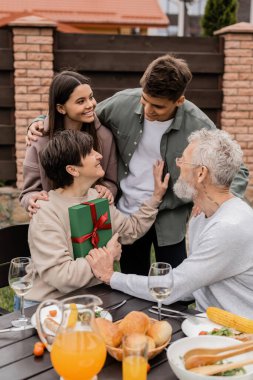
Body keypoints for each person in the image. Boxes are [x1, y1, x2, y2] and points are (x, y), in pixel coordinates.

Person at [26, 55, 249, 275]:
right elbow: (80, 113)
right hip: (125, 213)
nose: (148, 110)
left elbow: (238, 171)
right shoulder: (123, 102)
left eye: (158, 107)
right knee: (131, 285)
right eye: (145, 100)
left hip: (169, 217)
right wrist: (41, 122)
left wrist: (214, 201)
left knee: (176, 289)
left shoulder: (198, 123)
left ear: (179, 101)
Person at [86, 129, 253, 318]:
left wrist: (110, 276)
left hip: (238, 335)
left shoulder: (229, 227)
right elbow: (191, 284)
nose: (178, 166)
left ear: (201, 173)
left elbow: (172, 288)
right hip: (207, 322)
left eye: (182, 160)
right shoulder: (203, 215)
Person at [25, 129, 169, 303]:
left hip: (94, 296)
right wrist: (109, 254)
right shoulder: (46, 211)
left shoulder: (97, 197)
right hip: (50, 304)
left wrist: (155, 197)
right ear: (73, 170)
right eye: (90, 153)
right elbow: (62, 276)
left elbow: (130, 231)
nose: (100, 155)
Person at [20, 70, 118, 217]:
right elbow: (28, 192)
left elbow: (111, 181)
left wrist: (107, 189)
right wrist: (32, 200)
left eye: (91, 97)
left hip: (93, 221)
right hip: (54, 221)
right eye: (81, 101)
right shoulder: (39, 140)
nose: (90, 105)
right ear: (61, 108)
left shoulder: (104, 136)